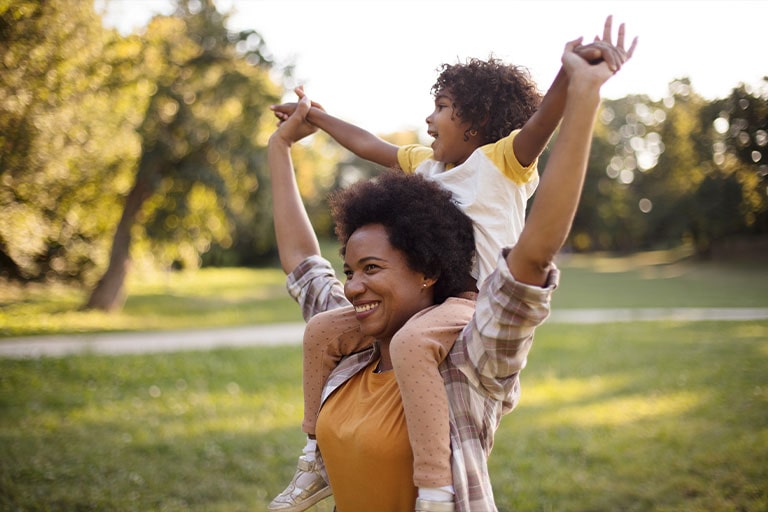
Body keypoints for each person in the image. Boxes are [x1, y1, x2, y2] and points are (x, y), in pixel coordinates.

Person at [267, 18, 636, 512]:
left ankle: (436, 494)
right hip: (427, 312)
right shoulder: (426, 170)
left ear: (477, 120)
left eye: (441, 107)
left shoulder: (500, 163)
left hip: (471, 307)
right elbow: (367, 148)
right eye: (356, 271)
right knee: (325, 331)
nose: (354, 286)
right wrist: (310, 123)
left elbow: (543, 126)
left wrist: (573, 80)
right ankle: (314, 457)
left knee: (414, 341)